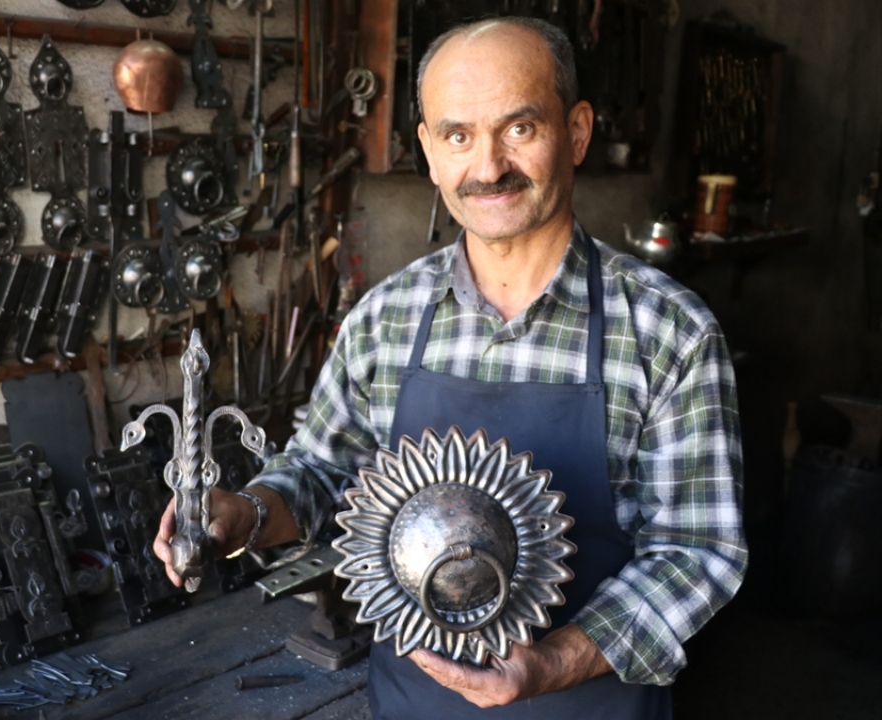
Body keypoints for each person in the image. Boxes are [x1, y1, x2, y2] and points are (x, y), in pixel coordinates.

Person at [153, 16, 746, 719]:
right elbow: (322, 474)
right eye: (458, 136)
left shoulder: (668, 331)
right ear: (431, 153)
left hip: (589, 703)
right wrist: (246, 513)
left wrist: (557, 660)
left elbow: (697, 552)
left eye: (519, 128)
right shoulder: (384, 320)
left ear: (578, 131)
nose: (488, 167)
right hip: (414, 704)